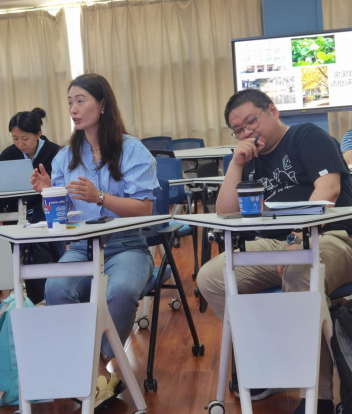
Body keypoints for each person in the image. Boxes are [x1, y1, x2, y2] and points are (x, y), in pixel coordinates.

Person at [197, 89, 352, 414]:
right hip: (274, 244)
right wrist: (236, 164)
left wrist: (298, 238)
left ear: (273, 110)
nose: (247, 132)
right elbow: (225, 212)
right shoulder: (248, 161)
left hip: (333, 236)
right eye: (238, 130)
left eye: (251, 122)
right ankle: (270, 359)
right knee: (211, 277)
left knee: (299, 273)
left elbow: (329, 189)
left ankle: (319, 397)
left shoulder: (306, 136)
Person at [31, 73, 159, 409]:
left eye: (80, 100)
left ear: (102, 104)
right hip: (82, 246)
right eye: (69, 102)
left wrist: (100, 197)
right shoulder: (65, 157)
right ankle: (100, 372)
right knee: (55, 288)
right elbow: (65, 214)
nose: (73, 109)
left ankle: (97, 362)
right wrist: (49, 193)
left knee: (121, 291)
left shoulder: (132, 149)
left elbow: (144, 209)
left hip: (127, 244)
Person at [0, 108, 61, 304]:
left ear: (38, 134)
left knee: (41, 250)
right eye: (15, 138)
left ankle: (48, 297)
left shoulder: (55, 152)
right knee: (26, 252)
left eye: (25, 138)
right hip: (17, 214)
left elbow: (59, 188)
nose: (20, 144)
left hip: (44, 212)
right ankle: (37, 300)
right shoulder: (9, 154)